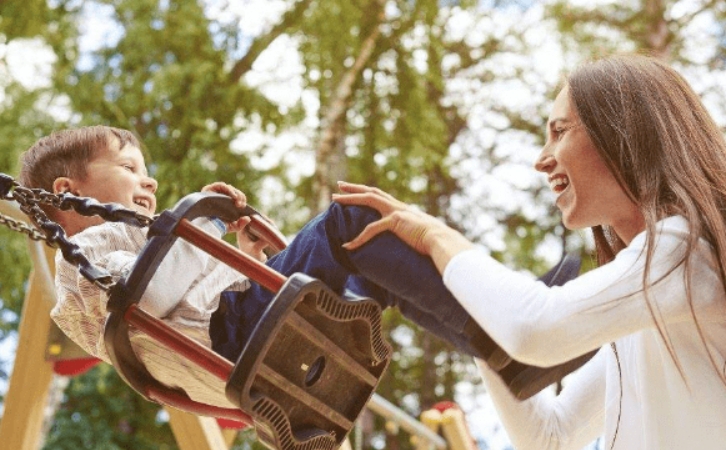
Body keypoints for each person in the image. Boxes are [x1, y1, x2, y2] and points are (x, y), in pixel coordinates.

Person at [332, 53, 726, 450]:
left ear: (626, 132)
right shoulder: (651, 312)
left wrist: (439, 237)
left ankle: (246, 311)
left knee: (349, 228)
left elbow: (538, 330)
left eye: (560, 132)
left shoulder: (688, 250)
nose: (542, 160)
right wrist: (468, 316)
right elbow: (547, 441)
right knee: (377, 253)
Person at [17, 125, 541, 402]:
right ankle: (505, 333)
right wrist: (203, 223)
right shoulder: (89, 247)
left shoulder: (132, 243)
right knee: (349, 222)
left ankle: (501, 343)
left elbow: (182, 297)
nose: (149, 182)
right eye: (129, 167)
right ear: (69, 192)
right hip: (239, 336)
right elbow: (148, 299)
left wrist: (245, 259)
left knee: (372, 266)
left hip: (237, 337)